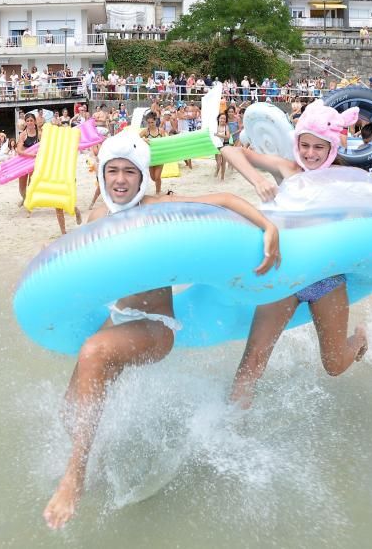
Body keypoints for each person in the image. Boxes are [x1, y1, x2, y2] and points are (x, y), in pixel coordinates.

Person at [42, 134, 281, 530]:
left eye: (129, 172)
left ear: (142, 178)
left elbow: (223, 200)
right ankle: (95, 461)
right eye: (113, 171)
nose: (121, 180)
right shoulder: (98, 216)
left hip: (156, 327)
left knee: (92, 351)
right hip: (117, 318)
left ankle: (75, 476)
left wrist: (267, 225)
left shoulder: (156, 209)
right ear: (102, 174)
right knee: (71, 410)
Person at [220, 103, 372, 410]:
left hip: (327, 279)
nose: (309, 154)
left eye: (318, 147)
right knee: (252, 361)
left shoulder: (347, 178)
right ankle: (230, 431)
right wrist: (257, 178)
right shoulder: (288, 169)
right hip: (286, 272)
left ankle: (358, 338)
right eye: (303, 145)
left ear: (332, 147)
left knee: (333, 366)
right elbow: (230, 150)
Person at [139, 111, 165, 194]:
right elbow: (135, 139)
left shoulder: (161, 131)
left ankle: (158, 192)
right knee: (153, 178)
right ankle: (159, 186)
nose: (150, 124)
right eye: (149, 122)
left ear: (156, 121)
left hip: (160, 156)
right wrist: (143, 139)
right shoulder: (145, 132)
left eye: (152, 122)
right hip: (150, 157)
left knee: (157, 177)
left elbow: (166, 142)